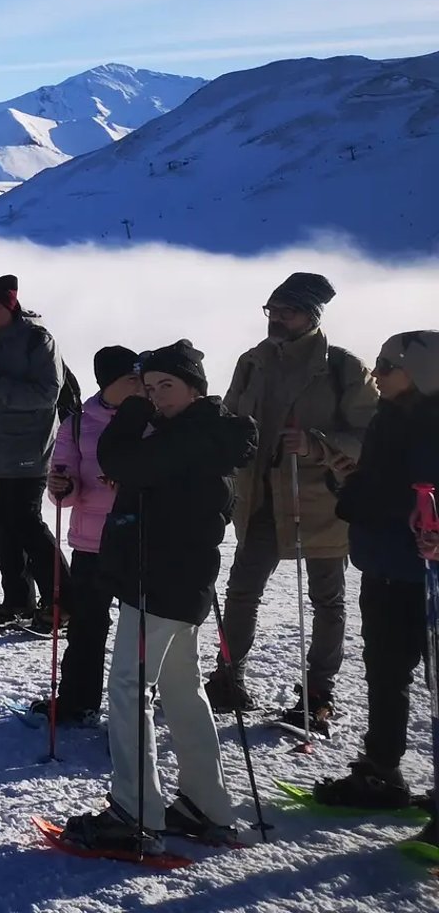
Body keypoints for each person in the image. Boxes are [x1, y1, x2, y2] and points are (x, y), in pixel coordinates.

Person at [61, 340, 256, 855]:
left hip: (160, 585)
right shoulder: (197, 432)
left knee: (129, 689)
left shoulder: (188, 437)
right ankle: (204, 803)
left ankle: (135, 812)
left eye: (166, 386)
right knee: (180, 688)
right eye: (149, 388)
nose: (155, 397)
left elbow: (119, 459)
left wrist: (133, 410)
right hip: (176, 585)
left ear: (195, 388)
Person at [210, 272, 377, 732]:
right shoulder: (252, 362)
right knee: (242, 592)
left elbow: (371, 438)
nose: (277, 318)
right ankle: (227, 678)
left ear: (312, 316)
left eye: (287, 311)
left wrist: (317, 446)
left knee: (328, 601)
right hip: (259, 499)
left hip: (321, 502)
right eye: (272, 310)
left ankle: (318, 693)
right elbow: (230, 420)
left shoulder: (343, 368)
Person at [314, 332, 439, 812]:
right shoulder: (389, 419)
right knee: (386, 673)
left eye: (389, 365)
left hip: (424, 572)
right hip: (387, 565)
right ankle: (382, 770)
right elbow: (383, 488)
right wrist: (349, 478)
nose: (377, 373)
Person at [30, 345, 140, 726]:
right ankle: (78, 701)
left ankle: (134, 715)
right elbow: (65, 491)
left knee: (139, 630)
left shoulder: (153, 420)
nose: (141, 385)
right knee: (86, 625)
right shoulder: (77, 423)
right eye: (132, 378)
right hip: (91, 540)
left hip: (141, 539)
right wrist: (61, 485)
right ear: (110, 382)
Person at [0, 274, 68, 626]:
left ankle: (62, 601)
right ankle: (18, 599)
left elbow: (48, 394)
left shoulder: (37, 341)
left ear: (9, 305)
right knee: (5, 528)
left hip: (30, 451)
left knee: (27, 525)